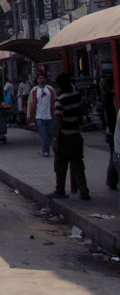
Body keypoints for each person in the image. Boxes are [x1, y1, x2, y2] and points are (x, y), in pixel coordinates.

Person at [49, 72, 90, 200]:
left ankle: (60, 190)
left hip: (64, 137)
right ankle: (84, 191)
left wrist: (56, 139)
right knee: (78, 165)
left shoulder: (60, 100)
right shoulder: (77, 96)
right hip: (76, 135)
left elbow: (59, 120)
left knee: (60, 166)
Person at [27, 72, 55, 157]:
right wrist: (29, 116)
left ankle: (47, 147)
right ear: (37, 80)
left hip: (50, 115)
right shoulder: (34, 91)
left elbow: (55, 100)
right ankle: (45, 151)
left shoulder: (50, 89)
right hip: (39, 117)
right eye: (40, 78)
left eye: (43, 78)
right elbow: (30, 103)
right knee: (44, 135)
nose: (41, 80)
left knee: (50, 133)